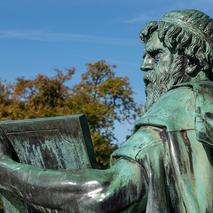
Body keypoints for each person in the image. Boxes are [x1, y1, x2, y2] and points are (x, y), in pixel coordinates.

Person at [0, 9, 213, 212]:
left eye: (156, 55)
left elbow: (107, 194)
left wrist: (6, 170)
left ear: (192, 62)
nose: (144, 65)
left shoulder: (171, 115)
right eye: (144, 56)